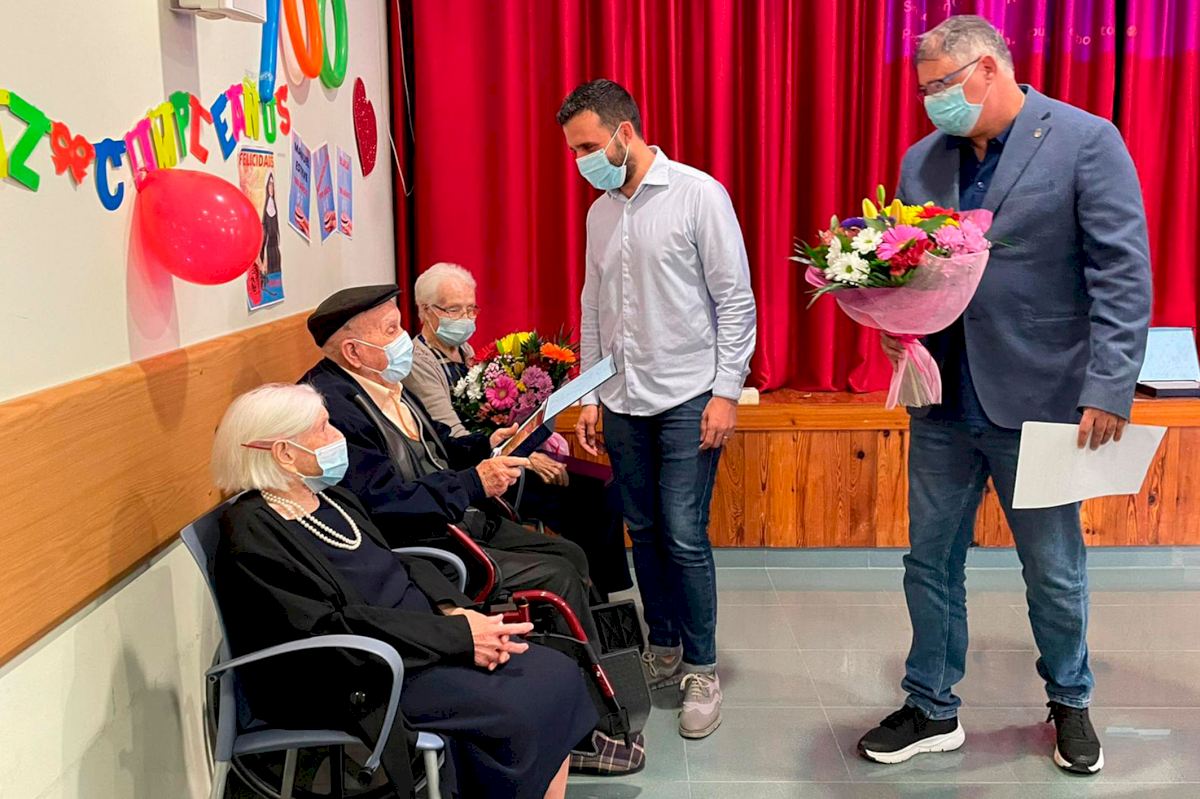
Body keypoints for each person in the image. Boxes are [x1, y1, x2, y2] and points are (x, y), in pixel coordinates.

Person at [856, 16, 1152, 775]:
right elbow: (908, 270)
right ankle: (931, 704)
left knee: (1052, 567)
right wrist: (896, 325)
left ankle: (1070, 700)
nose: (931, 102)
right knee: (928, 561)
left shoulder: (1087, 141)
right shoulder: (923, 160)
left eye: (941, 86)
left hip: (1045, 397)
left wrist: (1110, 385)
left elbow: (1122, 274)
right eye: (924, 90)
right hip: (943, 399)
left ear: (988, 69)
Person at [211, 383, 597, 798]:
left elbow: (399, 562)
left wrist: (454, 610)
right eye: (323, 428)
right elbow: (331, 627)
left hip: (416, 639)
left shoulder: (330, 498)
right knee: (517, 709)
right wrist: (457, 638)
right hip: (360, 671)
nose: (338, 436)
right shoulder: (252, 532)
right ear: (284, 453)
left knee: (557, 672)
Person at [558, 79, 757, 739]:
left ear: (624, 132)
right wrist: (589, 394)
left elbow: (735, 299)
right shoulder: (600, 213)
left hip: (689, 395)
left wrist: (726, 391)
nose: (581, 160)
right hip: (622, 398)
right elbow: (593, 307)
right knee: (641, 530)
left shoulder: (699, 195)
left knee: (683, 532)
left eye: (587, 146)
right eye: (573, 150)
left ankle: (702, 667)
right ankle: (663, 646)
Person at [299, 284, 601, 646]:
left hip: (455, 517)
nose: (404, 340)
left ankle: (588, 652)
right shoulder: (333, 409)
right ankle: (579, 670)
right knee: (558, 574)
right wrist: (474, 482)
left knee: (571, 553)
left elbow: (438, 443)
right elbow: (383, 503)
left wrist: (488, 443)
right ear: (353, 351)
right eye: (392, 330)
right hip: (423, 541)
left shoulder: (382, 381)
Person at [404, 261, 633, 597]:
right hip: (476, 471)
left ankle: (601, 592)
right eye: (454, 310)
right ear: (425, 311)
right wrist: (525, 457)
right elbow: (454, 437)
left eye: (471, 309)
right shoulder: (419, 360)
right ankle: (597, 596)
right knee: (589, 496)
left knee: (604, 481)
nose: (465, 318)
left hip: (503, 452)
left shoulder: (463, 350)